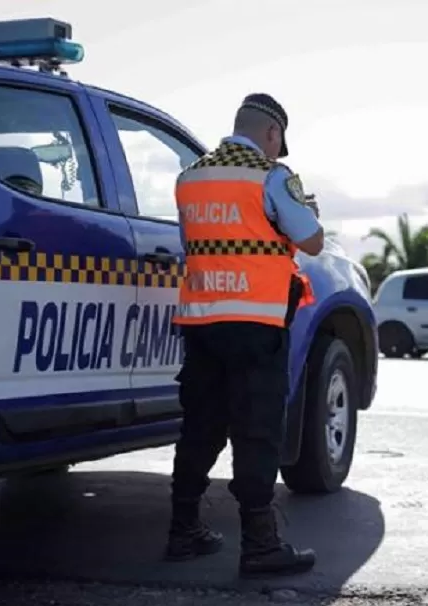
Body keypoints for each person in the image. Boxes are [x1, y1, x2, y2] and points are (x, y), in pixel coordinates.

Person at [166, 93, 325, 578]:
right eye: (278, 144)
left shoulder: (188, 177)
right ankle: (260, 544)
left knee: (201, 426)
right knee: (257, 431)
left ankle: (183, 530)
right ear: (272, 134)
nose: (277, 152)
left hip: (202, 321)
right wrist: (305, 209)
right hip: (255, 324)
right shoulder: (270, 176)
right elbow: (313, 241)